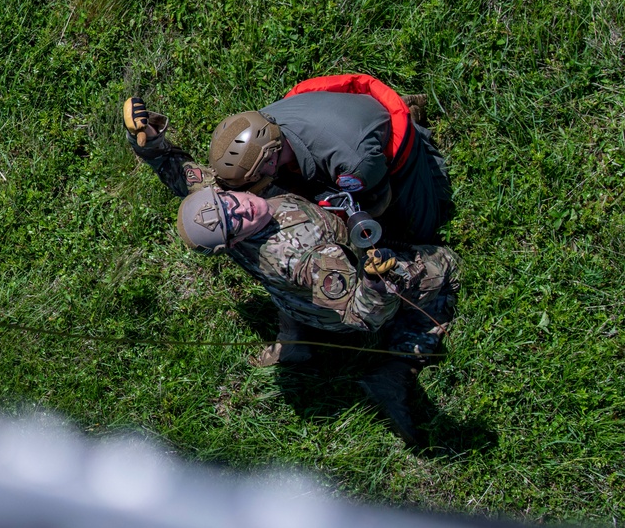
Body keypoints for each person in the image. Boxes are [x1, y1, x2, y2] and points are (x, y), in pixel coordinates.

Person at [123, 97, 460, 444]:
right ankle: (397, 369)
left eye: (228, 203)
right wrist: (374, 280)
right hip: (330, 305)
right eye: (235, 222)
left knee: (287, 294)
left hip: (289, 298)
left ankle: (293, 343)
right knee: (445, 264)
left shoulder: (217, 204)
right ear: (231, 242)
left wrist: (144, 135)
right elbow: (362, 316)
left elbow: (176, 170)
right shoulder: (300, 255)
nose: (243, 207)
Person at [207, 74, 453, 242]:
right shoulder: (261, 123)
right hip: (341, 115)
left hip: (378, 146)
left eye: (254, 178)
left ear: (271, 160)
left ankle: (408, 118)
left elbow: (378, 200)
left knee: (423, 229)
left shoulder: (353, 164)